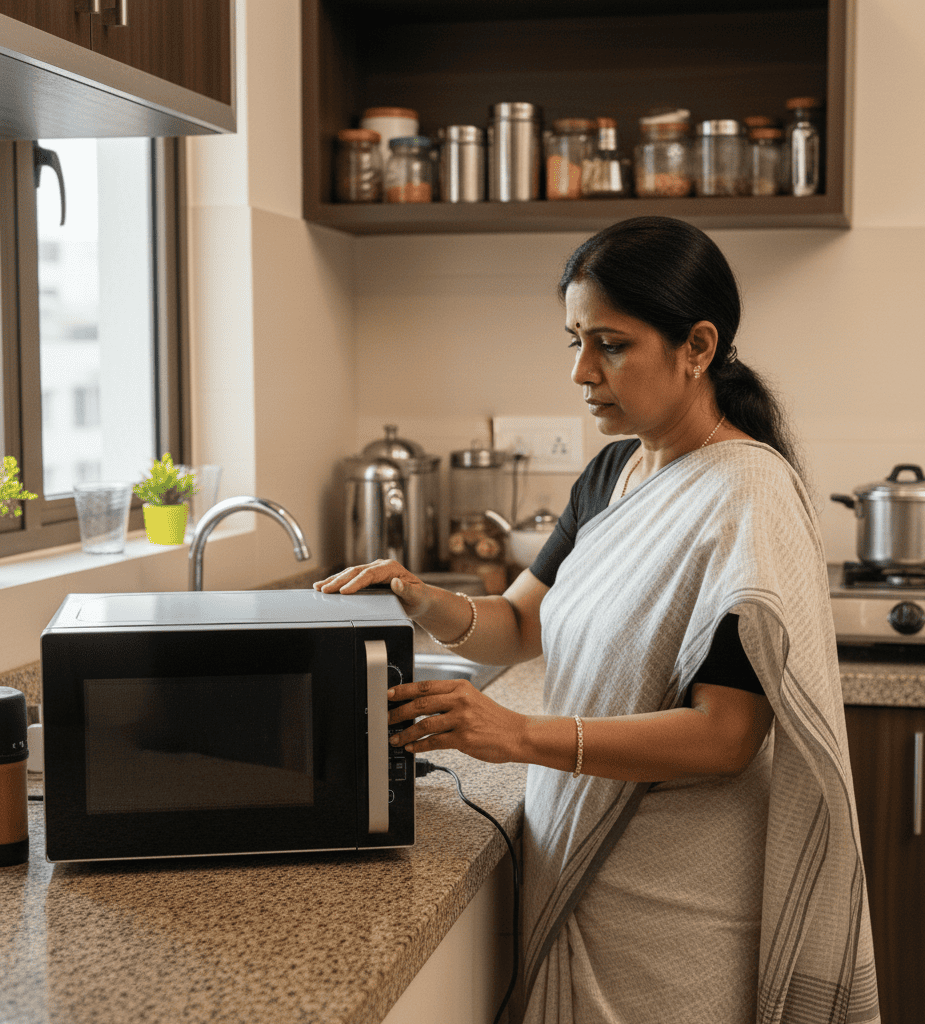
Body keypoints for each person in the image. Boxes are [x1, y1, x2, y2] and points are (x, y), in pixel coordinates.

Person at [315, 216, 880, 1024]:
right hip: (582, 857)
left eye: (611, 344)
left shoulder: (746, 498)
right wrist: (418, 595)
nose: (582, 372)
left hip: (679, 904)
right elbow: (516, 625)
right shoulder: (617, 469)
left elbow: (726, 737)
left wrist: (516, 735)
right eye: (575, 341)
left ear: (698, 346)